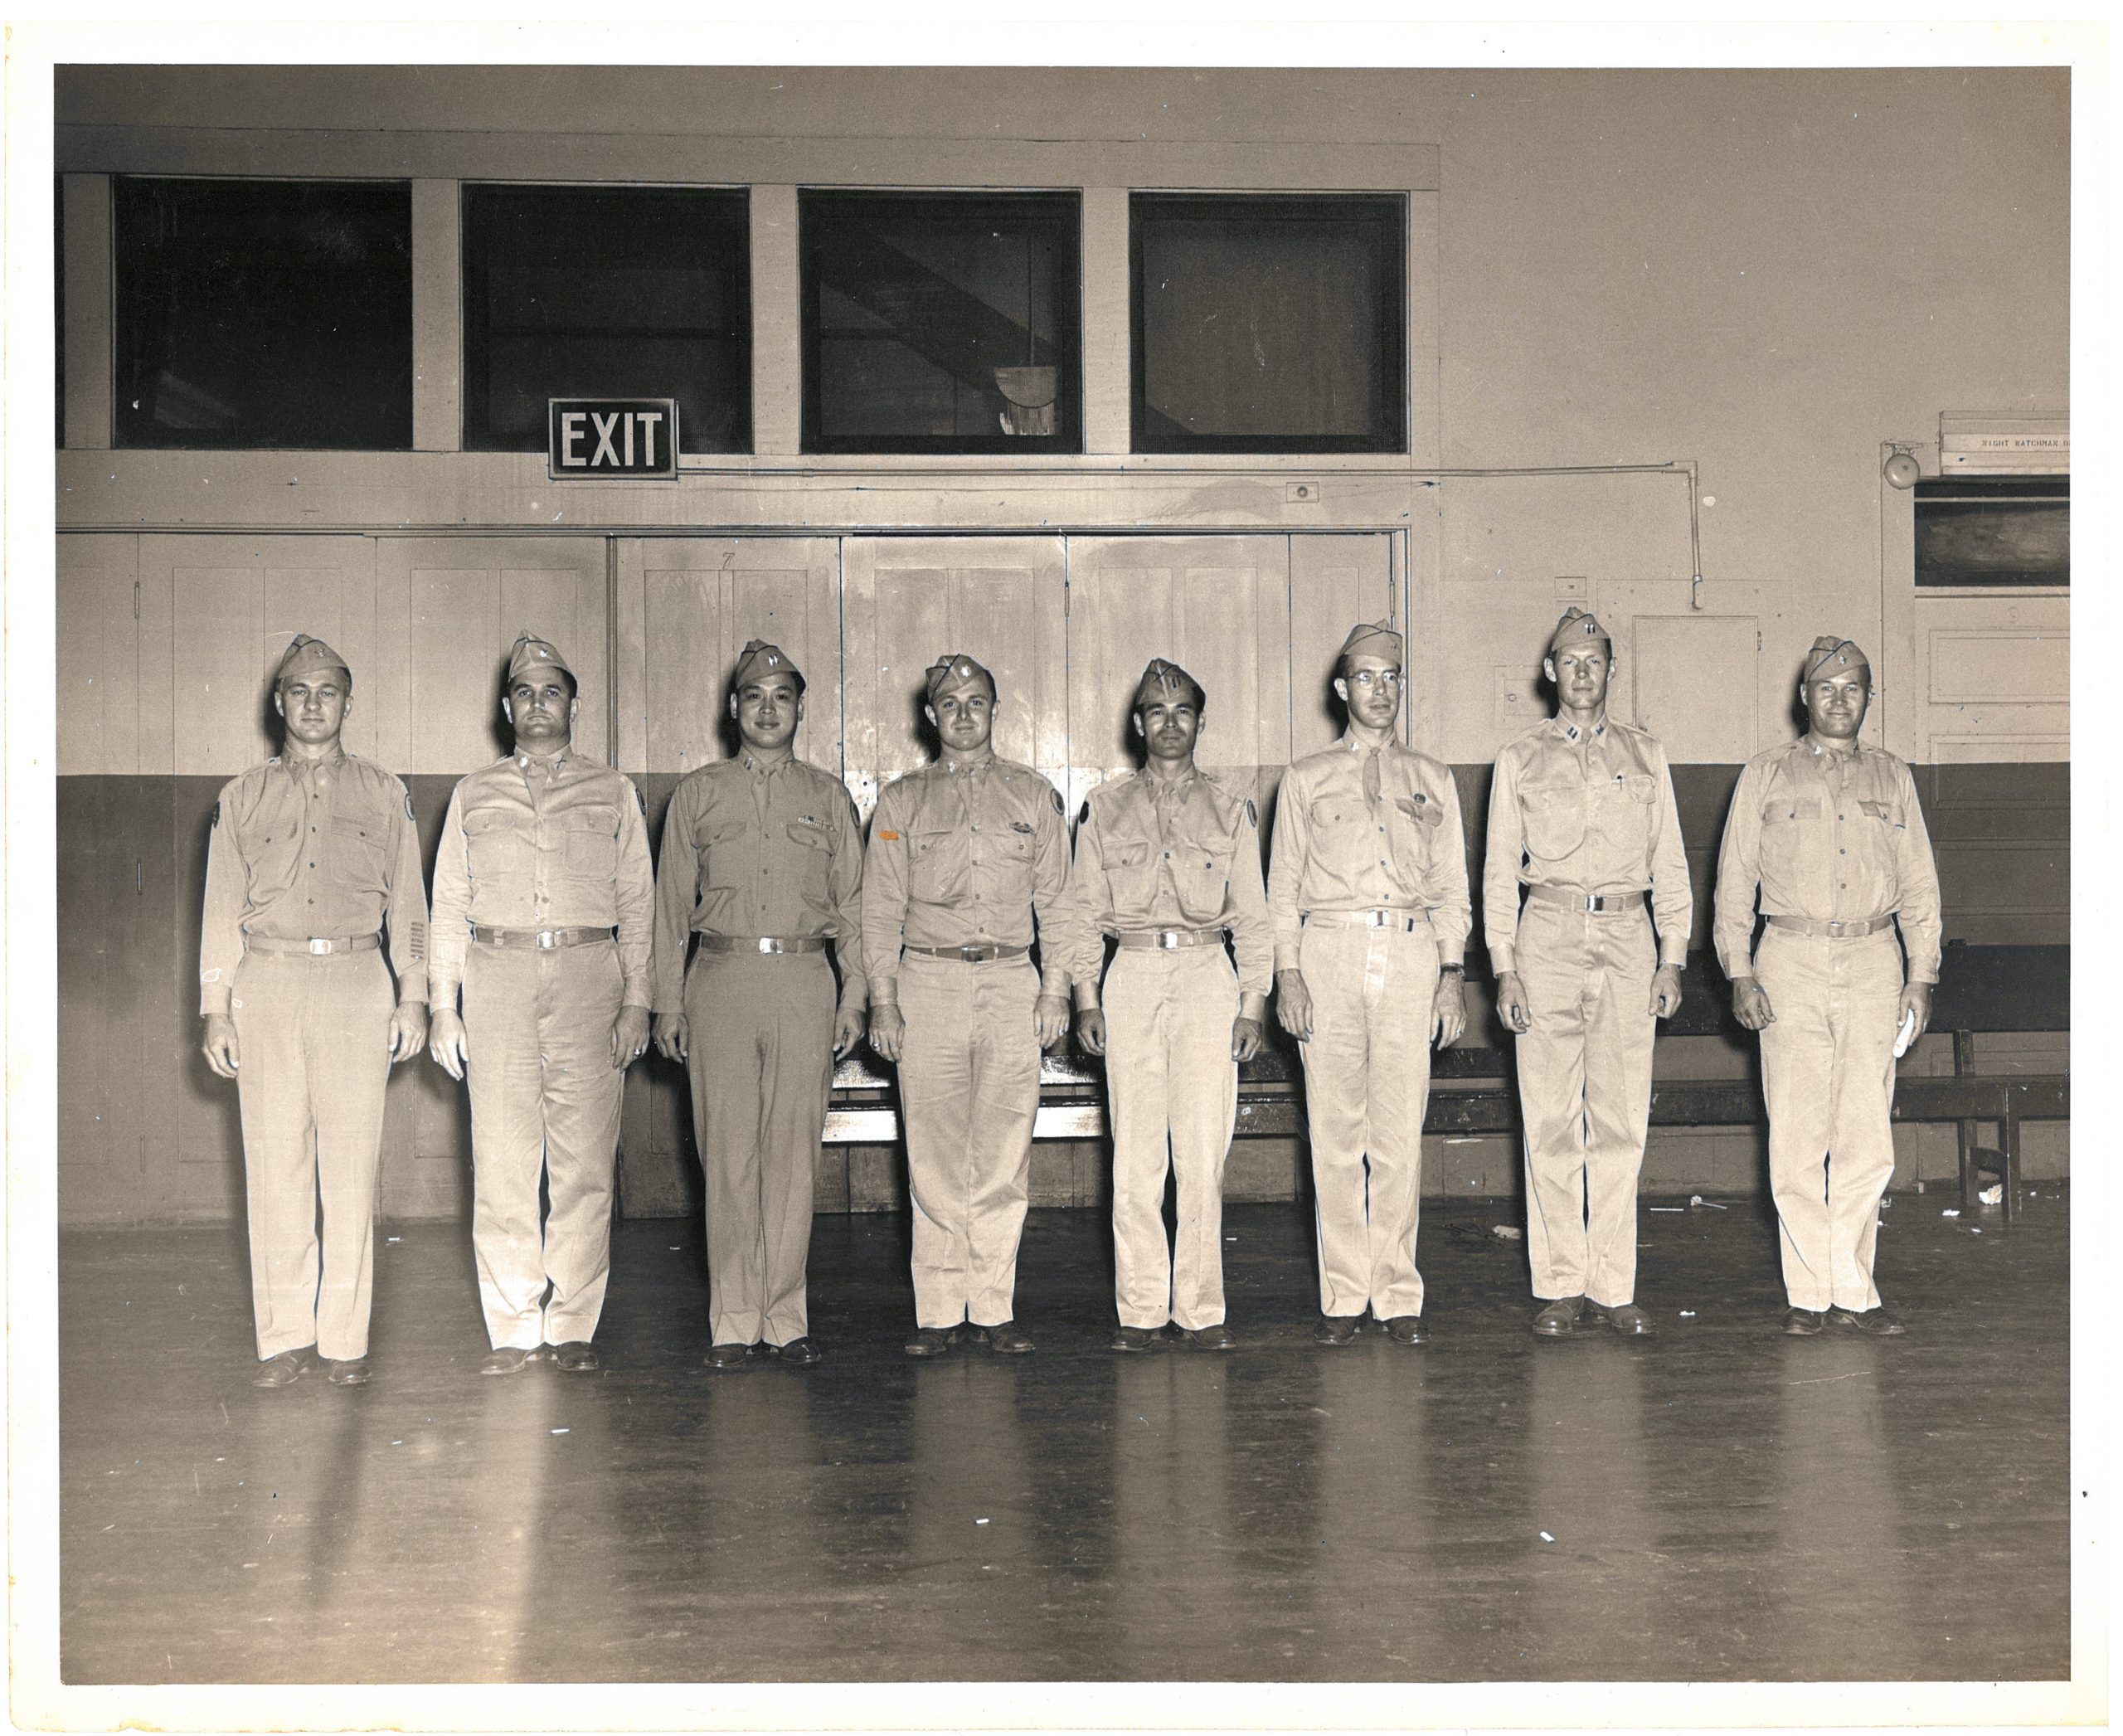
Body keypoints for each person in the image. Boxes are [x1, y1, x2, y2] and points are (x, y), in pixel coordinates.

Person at [199, 634, 430, 1388]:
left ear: (348, 704)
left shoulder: (384, 792)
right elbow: (220, 909)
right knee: (275, 1167)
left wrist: (415, 994)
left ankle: (344, 1341)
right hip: (265, 982)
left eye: (328, 692)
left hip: (357, 981)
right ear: (279, 702)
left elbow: (411, 906)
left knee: (350, 1166)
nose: (313, 705)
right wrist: (216, 1007)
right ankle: (285, 1338)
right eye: (299, 691)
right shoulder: (241, 797)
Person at [427, 635, 655, 1375]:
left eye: (551, 691)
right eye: (524, 692)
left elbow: (638, 903)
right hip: (496, 973)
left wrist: (638, 1000)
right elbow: (449, 904)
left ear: (573, 705)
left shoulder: (613, 791)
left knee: (584, 1161)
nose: (537, 704)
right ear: (506, 707)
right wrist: (443, 1005)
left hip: (591, 975)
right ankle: (514, 1326)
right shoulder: (473, 793)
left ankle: (573, 1324)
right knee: (502, 1159)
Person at [1715, 636, 1941, 1336]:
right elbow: (1734, 883)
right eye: (1826, 688)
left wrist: (1921, 975)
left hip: (1874, 959)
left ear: (1869, 698)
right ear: (1803, 696)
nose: (1839, 700)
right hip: (1791, 958)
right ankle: (1809, 1292)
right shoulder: (1765, 774)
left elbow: (1920, 886)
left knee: (1866, 1134)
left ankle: (1853, 1288)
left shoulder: (1893, 777)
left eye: (1853, 689)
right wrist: (1740, 971)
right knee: (1797, 1131)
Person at [652, 640, 867, 1371]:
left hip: (806, 979)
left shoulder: (829, 797)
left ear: (800, 708)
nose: (768, 709)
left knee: (792, 1154)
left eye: (782, 697)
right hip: (721, 978)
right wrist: (667, 1002)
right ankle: (734, 1320)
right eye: (754, 696)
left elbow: (854, 908)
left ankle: (785, 1316)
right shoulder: (698, 794)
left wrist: (855, 994)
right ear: (733, 707)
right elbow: (669, 909)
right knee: (727, 1153)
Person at [1485, 607, 1691, 1339]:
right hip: (1546, 931)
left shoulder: (1646, 754)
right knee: (1548, 1118)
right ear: (1550, 672)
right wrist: (1505, 969)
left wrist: (1672, 957)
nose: (1582, 673)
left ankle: (1612, 1285)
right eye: (1570, 661)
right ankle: (1560, 1284)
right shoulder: (1520, 758)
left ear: (1611, 671)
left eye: (1595, 661)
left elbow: (1671, 865)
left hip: (1629, 937)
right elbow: (1498, 873)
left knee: (1620, 1120)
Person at [862, 653, 1072, 1358]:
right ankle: (939, 1312)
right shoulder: (901, 802)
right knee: (933, 1153)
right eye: (949, 703)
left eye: (976, 701)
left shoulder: (1032, 795)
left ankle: (992, 1306)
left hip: (1012, 981)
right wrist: (884, 1002)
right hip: (928, 981)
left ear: (994, 709)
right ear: (930, 714)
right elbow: (879, 910)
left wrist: (1054, 989)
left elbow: (1059, 904)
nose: (963, 713)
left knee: (1005, 1151)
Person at [1267, 620, 1470, 1345]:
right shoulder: (1305, 778)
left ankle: (1397, 1293)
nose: (1379, 691)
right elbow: (1281, 888)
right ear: (1341, 688)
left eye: (1390, 678)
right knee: (1334, 1132)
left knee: (1398, 1133)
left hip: (1411, 952)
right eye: (1365, 678)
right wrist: (1288, 975)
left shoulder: (1432, 778)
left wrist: (1451, 976)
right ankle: (1345, 1295)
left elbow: (1451, 887)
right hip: (1329, 947)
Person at [1063, 659, 1272, 1353]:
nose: (1170, 723)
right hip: (1132, 975)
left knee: (1202, 1154)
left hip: (1208, 975)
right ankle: (1142, 1310)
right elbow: (1082, 914)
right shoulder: (1104, 808)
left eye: (1183, 711)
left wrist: (1251, 1004)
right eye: (1157, 711)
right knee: (1135, 1158)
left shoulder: (1231, 808)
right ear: (1138, 723)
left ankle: (1201, 1308)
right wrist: (1086, 998)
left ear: (1200, 722)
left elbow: (1255, 918)